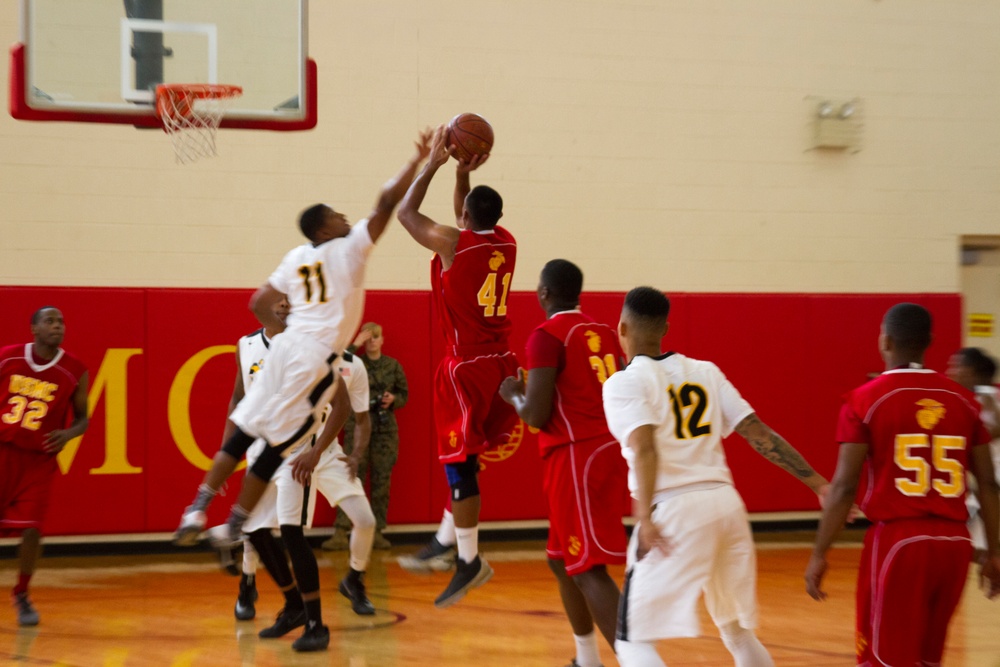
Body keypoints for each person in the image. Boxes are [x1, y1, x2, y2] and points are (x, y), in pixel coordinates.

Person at [173, 129, 432, 650]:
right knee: (273, 448)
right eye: (336, 214)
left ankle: (199, 507)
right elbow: (385, 203)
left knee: (244, 434)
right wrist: (419, 159)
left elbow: (257, 300)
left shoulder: (295, 258)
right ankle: (235, 524)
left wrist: (283, 316)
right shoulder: (347, 250)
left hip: (284, 350)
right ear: (326, 227)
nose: (344, 217)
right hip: (312, 360)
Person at [601, 287, 829, 667]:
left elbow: (645, 448)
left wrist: (643, 519)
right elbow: (760, 433)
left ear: (621, 327)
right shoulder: (706, 371)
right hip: (727, 506)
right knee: (737, 632)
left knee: (631, 641)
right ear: (666, 328)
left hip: (675, 510)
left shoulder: (623, 383)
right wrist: (820, 483)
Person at [806, 304, 1000, 665]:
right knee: (927, 659)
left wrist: (819, 553)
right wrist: (995, 552)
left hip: (900, 542)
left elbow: (845, 487)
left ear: (886, 340)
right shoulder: (965, 401)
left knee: (885, 659)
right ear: (929, 342)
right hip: (956, 542)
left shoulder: (865, 399)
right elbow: (988, 483)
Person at [396, 124, 519, 608]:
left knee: (458, 465)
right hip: (502, 364)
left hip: (465, 367)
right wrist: (465, 178)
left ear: (466, 216)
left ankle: (468, 559)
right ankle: (449, 539)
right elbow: (466, 220)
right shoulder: (505, 242)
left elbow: (407, 214)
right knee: (466, 460)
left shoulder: (453, 245)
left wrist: (435, 165)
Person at [499, 259, 628, 667]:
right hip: (607, 447)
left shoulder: (545, 335)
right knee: (560, 559)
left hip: (576, 453)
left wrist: (514, 394)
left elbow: (535, 415)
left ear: (544, 294)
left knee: (588, 568)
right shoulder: (605, 332)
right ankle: (586, 659)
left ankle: (638, 659)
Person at [239, 349, 378, 648]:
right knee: (255, 528)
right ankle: (247, 582)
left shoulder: (353, 366)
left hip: (324, 454)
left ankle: (353, 580)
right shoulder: (286, 351)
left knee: (364, 521)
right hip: (287, 453)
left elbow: (360, 417)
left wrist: (356, 454)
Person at [1, 307, 89, 627]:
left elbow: (83, 418)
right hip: (3, 451)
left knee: (32, 527)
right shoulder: (8, 358)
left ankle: (22, 593)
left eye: (61, 321)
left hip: (38, 460)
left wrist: (68, 433)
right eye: (49, 321)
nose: (57, 326)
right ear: (33, 328)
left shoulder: (74, 370)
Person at [324, 321, 408, 551]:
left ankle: (377, 532)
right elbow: (336, 362)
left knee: (381, 482)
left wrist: (394, 400)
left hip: (383, 430)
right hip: (357, 427)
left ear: (382, 340)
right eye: (368, 337)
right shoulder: (354, 362)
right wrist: (355, 343)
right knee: (349, 477)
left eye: (376, 336)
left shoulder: (392, 366)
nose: (372, 341)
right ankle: (341, 531)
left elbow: (404, 394)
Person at [947, 347, 1000, 565]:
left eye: (956, 365)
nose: (950, 371)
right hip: (982, 490)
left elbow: (994, 428)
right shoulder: (965, 400)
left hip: (991, 489)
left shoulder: (986, 398)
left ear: (972, 371)